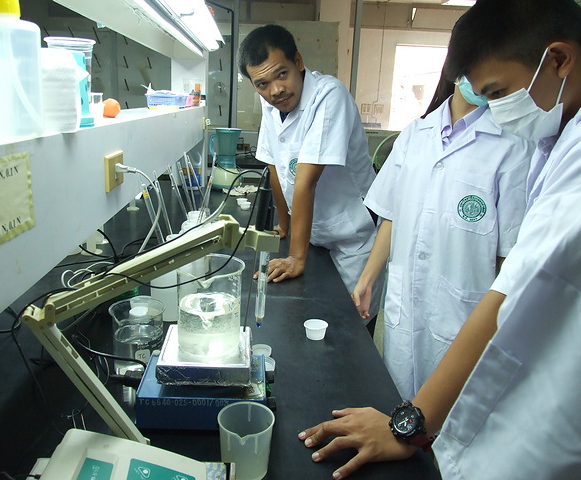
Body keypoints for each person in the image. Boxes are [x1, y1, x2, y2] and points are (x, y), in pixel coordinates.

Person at [298, 0, 581, 478]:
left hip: (478, 334)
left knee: (443, 442)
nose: (495, 104)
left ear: (557, 59)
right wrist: (369, 277)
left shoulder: (526, 145)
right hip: (414, 318)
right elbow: (393, 212)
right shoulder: (424, 134)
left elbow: (513, 279)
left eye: (498, 91)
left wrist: (408, 424)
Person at [352, 68, 534, 401]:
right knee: (398, 404)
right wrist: (367, 279)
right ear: (456, 67)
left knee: (448, 412)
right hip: (404, 306)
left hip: (463, 313)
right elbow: (392, 214)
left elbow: (509, 254)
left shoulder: (514, 146)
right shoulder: (415, 134)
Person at [238, 25, 385, 322]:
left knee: (350, 323)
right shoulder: (271, 105)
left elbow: (306, 180)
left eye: (282, 74)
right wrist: (284, 225)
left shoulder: (329, 96)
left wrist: (296, 256)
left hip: (353, 233)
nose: (275, 90)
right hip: (316, 229)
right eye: (262, 84)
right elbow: (275, 167)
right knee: (313, 317)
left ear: (298, 62)